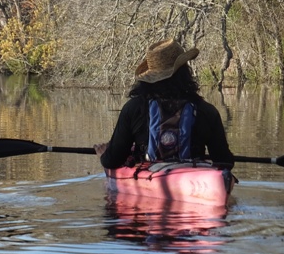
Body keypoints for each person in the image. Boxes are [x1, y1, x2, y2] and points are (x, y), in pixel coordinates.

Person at [94, 39, 235, 169]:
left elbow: (112, 161)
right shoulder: (206, 110)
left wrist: (104, 154)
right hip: (193, 177)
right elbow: (225, 162)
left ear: (149, 78)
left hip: (149, 177)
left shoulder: (133, 108)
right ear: (186, 73)